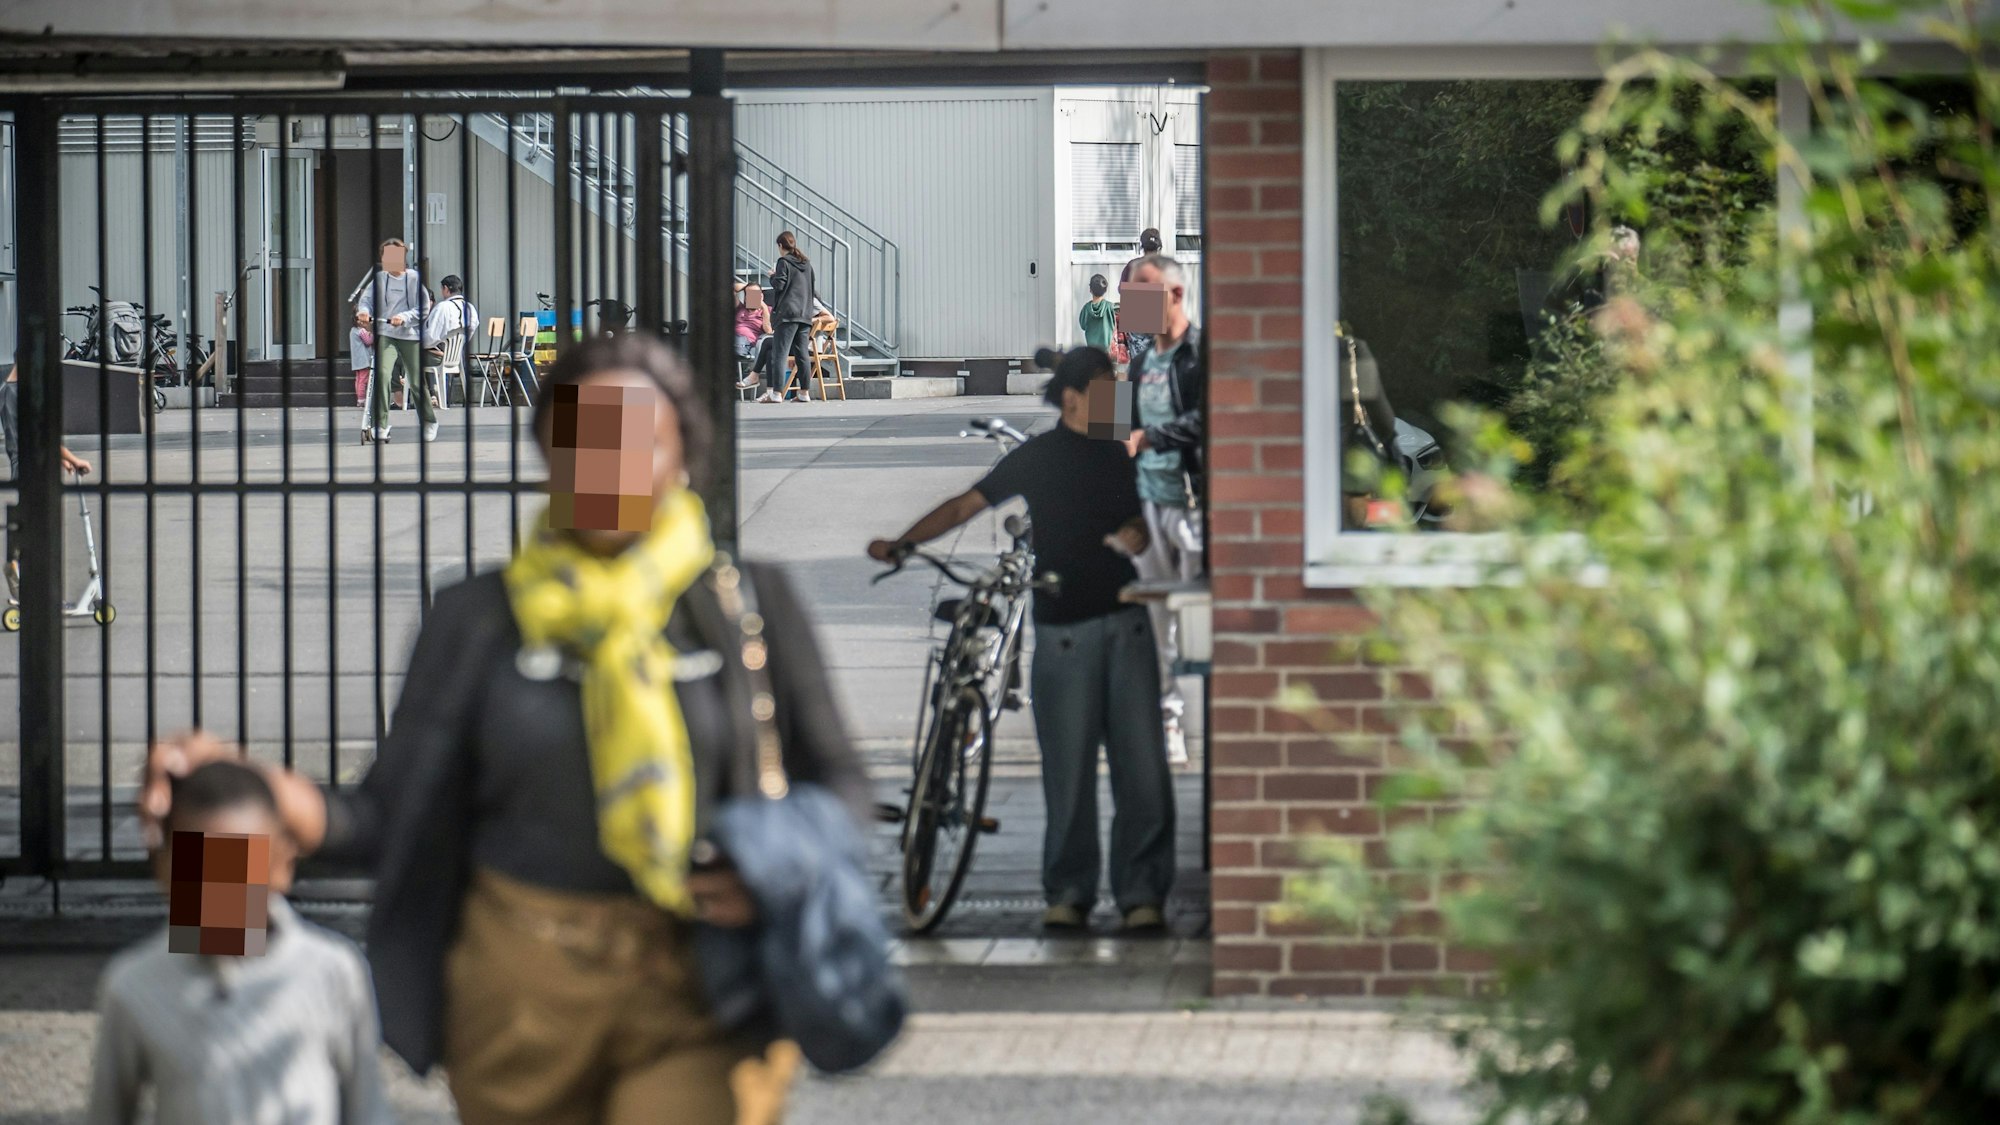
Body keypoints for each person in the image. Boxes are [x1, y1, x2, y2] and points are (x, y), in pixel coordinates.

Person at [141, 333, 867, 1125]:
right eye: (582, 439)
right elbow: (390, 813)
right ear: (546, 453)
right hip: (516, 994)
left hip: (703, 983)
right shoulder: (477, 617)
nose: (607, 462)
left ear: (683, 457)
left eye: (637, 440)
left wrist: (775, 859)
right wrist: (270, 795)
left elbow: (844, 784)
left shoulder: (747, 606)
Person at [867, 346, 1176, 934]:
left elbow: (1149, 509)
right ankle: (1068, 894)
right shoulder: (1038, 457)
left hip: (1130, 623)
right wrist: (903, 543)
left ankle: (1143, 896)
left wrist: (1140, 527)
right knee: (1069, 774)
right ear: (1073, 397)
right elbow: (966, 503)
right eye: (1105, 387)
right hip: (1062, 633)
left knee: (1143, 772)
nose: (1116, 396)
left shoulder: (1121, 452)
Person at [87, 759, 391, 1125]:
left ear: (282, 865)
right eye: (200, 870)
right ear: (164, 868)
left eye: (237, 868)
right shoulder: (135, 986)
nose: (220, 893)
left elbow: (368, 1111)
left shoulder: (332, 972)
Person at [1122, 255, 1207, 767]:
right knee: (1156, 623)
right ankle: (1168, 719)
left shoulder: (1202, 355)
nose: (1130, 306)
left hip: (1194, 506)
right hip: (1148, 507)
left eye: (1142, 294)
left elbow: (1211, 418)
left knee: (1200, 622)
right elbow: (1113, 433)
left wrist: (1151, 437)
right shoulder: (1137, 362)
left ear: (1174, 296)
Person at [4, 363, 94, 605]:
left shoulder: (6, 391)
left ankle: (17, 562)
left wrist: (62, 460)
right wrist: (75, 459)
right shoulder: (23, 395)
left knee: (32, 525)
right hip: (34, 467)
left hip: (21, 463)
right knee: (43, 533)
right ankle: (41, 593)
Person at [355, 237, 436, 445]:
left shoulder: (413, 279)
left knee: (416, 381)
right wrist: (363, 312)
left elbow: (424, 308)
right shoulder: (380, 278)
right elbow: (366, 301)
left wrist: (405, 318)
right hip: (386, 333)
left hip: (409, 335)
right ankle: (380, 424)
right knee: (382, 375)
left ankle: (429, 421)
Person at [758, 232, 816, 404]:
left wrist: (772, 276)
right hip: (805, 313)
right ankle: (804, 393)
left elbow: (779, 285)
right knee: (802, 354)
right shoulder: (806, 264)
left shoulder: (783, 262)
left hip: (788, 314)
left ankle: (776, 393)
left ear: (781, 246)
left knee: (780, 352)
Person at [424, 274, 480, 409]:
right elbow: (471, 330)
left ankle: (421, 396)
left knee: (407, 355)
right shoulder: (470, 308)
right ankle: (433, 394)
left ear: (445, 288)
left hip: (438, 357)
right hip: (456, 355)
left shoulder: (443, 307)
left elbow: (431, 336)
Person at [1117, 229, 1166, 363]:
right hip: (1157, 318)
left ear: (1142, 246)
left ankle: (1136, 384)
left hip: (1135, 319)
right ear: (1159, 246)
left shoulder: (1132, 266)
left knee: (1138, 365)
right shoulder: (1164, 267)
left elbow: (1122, 290)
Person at [733, 282, 772, 394]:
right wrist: (747, 286)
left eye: (755, 294)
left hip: (747, 343)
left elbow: (768, 331)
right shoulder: (740, 308)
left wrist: (763, 307)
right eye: (749, 294)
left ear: (761, 296)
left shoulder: (767, 310)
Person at [1078, 274, 1117, 351]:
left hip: (1092, 351)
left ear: (1090, 290)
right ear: (1105, 290)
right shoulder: (1111, 307)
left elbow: (1082, 326)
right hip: (1108, 352)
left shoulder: (1086, 308)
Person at [349, 324, 374, 408]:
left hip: (356, 359)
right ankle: (362, 399)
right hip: (364, 359)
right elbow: (368, 342)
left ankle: (359, 399)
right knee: (363, 380)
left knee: (358, 379)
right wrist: (371, 335)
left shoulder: (353, 330)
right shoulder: (361, 331)